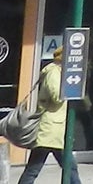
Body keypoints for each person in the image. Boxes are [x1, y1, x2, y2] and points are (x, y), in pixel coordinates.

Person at [16, 47, 80, 184]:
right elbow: (57, 96)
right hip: (50, 130)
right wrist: (70, 89)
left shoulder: (59, 72)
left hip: (54, 131)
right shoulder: (53, 72)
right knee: (35, 169)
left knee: (68, 167)